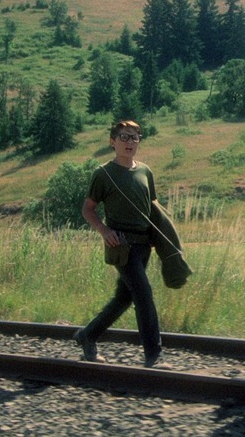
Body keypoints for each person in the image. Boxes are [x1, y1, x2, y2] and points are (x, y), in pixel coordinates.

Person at [74, 120, 169, 369]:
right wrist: (104, 231)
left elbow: (154, 209)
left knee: (123, 299)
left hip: (144, 245)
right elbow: (87, 209)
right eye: (124, 137)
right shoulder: (103, 174)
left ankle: (88, 335)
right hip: (121, 246)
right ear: (112, 141)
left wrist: (165, 240)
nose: (130, 142)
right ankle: (153, 355)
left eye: (135, 137)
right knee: (144, 295)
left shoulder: (145, 171)